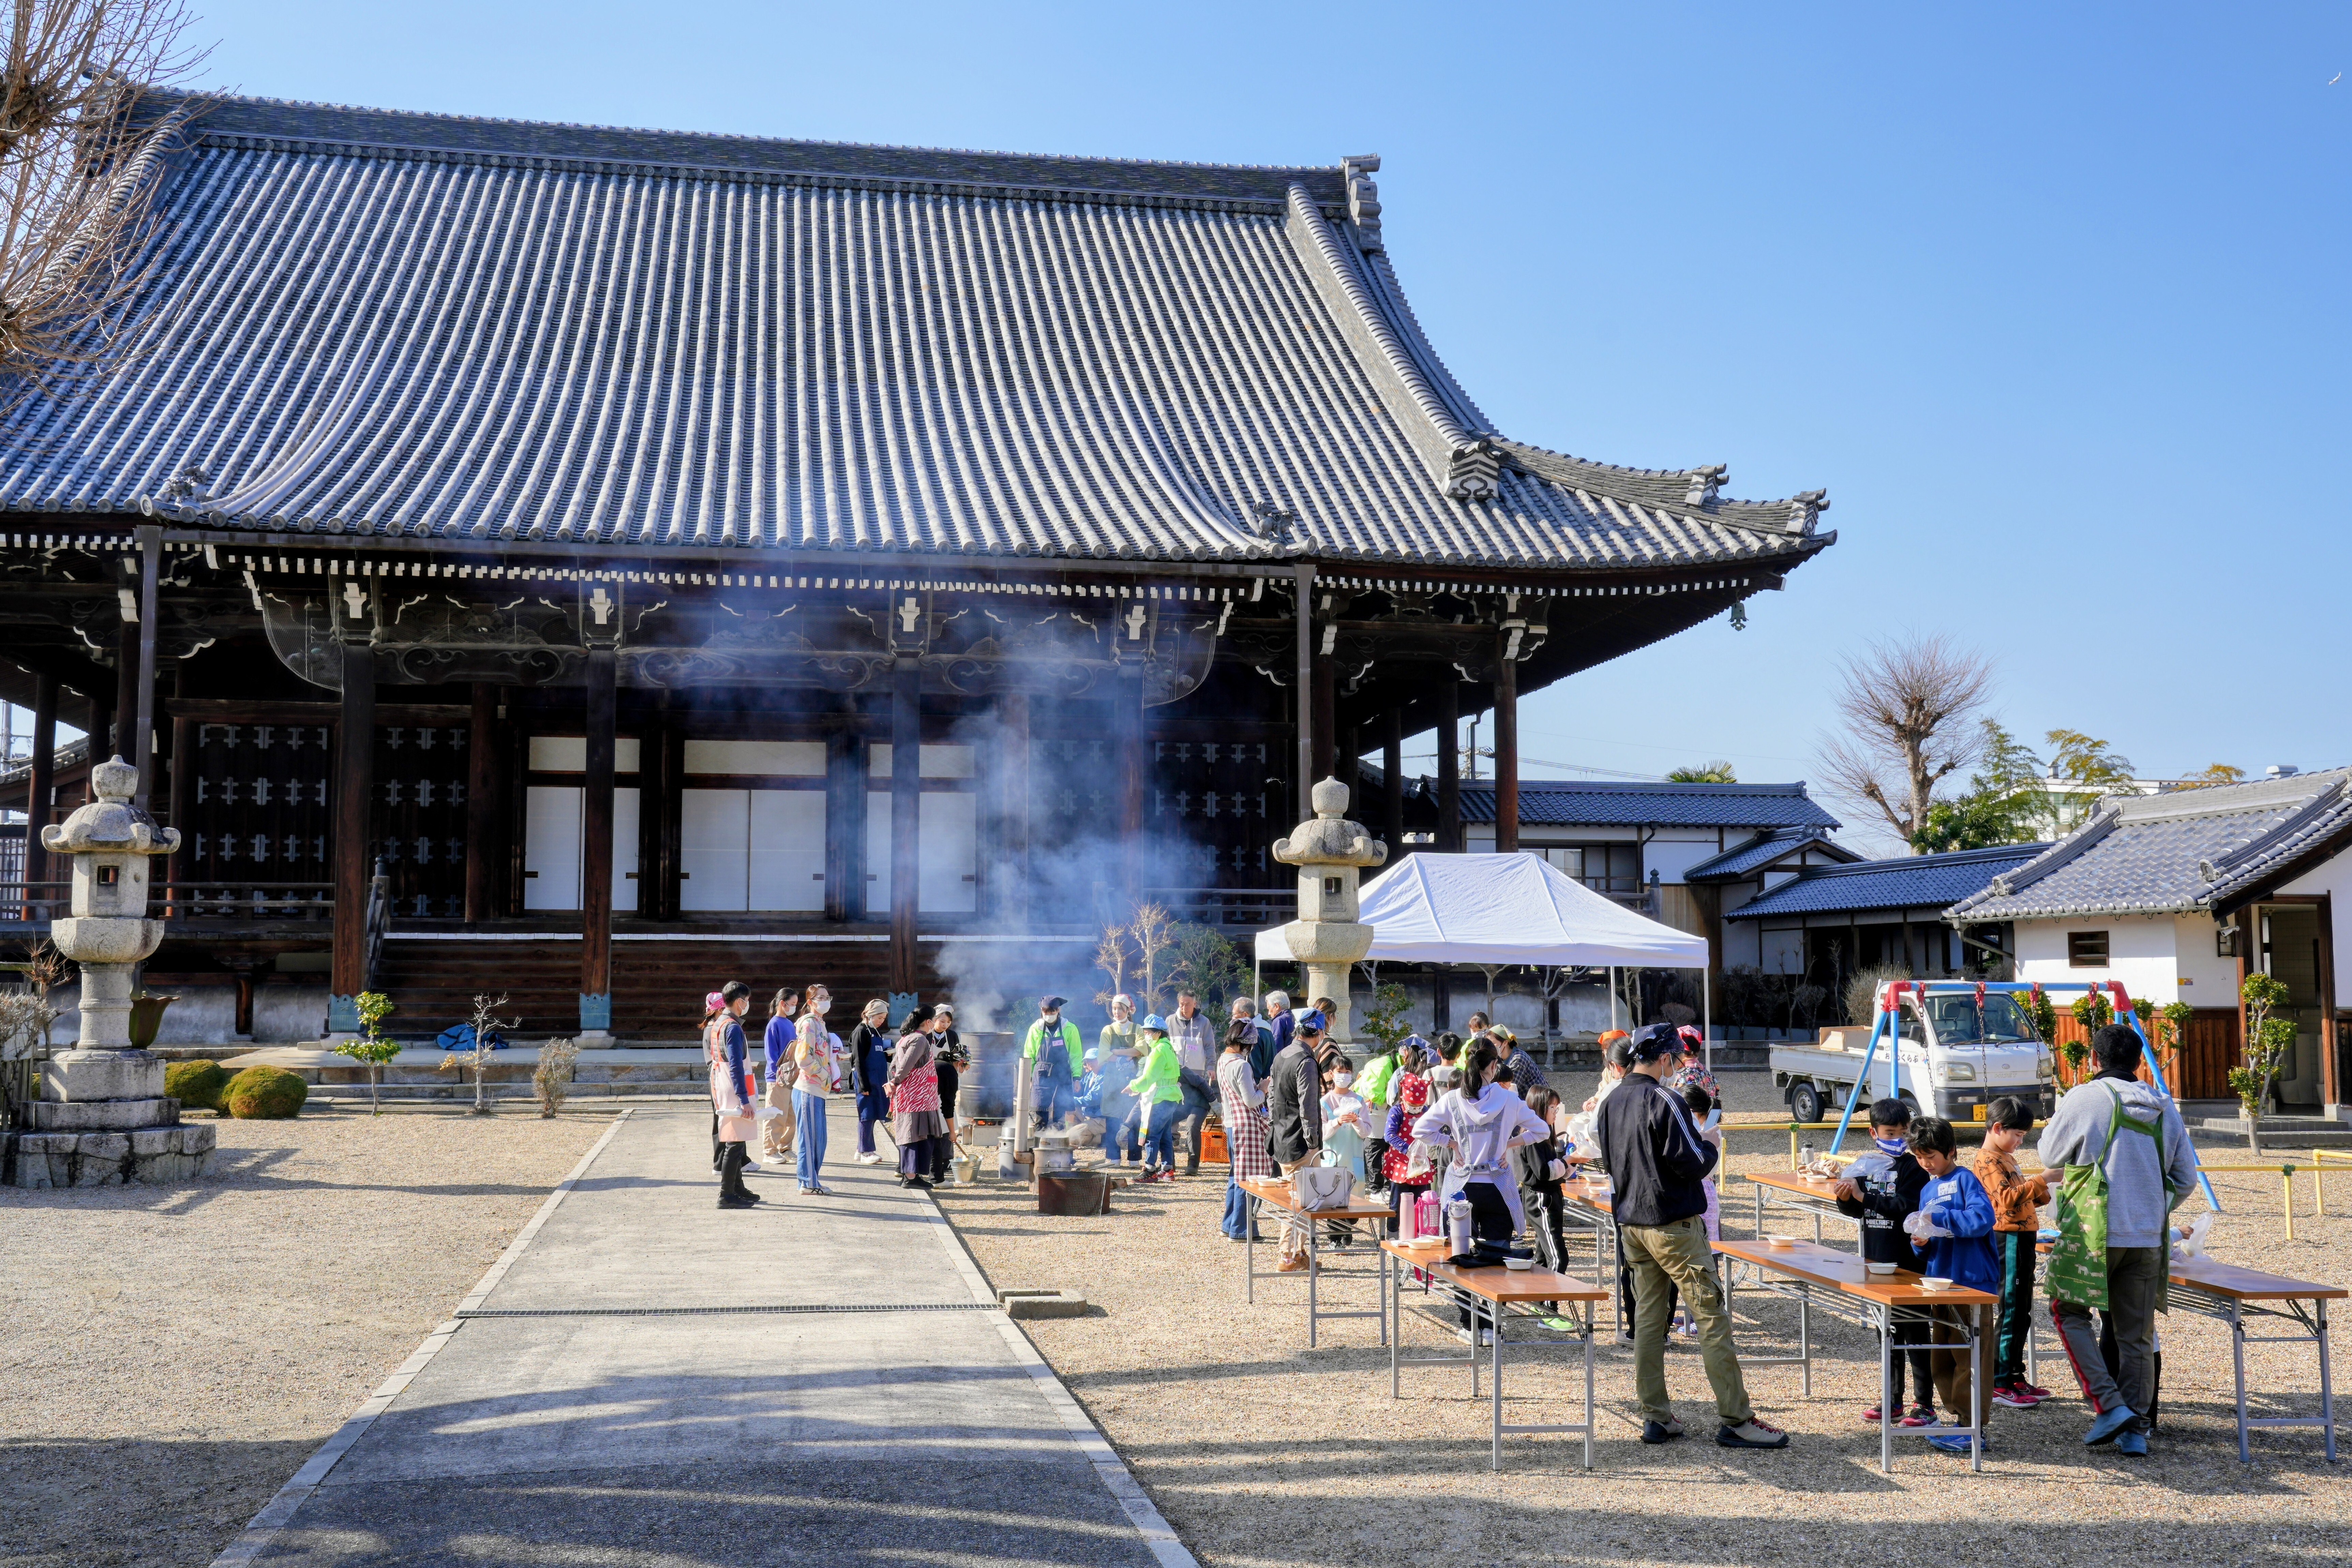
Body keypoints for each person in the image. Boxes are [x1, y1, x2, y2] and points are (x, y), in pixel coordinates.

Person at [1597, 1021, 1786, 1449]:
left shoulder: (1611, 1100)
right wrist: (1713, 1145)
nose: (1674, 1068)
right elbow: (1693, 1160)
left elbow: (1609, 1160)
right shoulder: (1665, 1098)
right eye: (1673, 1060)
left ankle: (1655, 1416)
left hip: (1632, 1224)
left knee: (1648, 1321)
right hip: (1674, 1226)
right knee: (1711, 1319)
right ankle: (1737, 1419)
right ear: (1664, 1058)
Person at [2039, 1022, 2196, 1459]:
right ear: (2139, 1062)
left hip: (2093, 1233)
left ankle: (2108, 1405)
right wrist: (2151, 1206)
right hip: (2147, 1236)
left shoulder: (2084, 1097)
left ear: (2093, 1060)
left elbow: (2050, 1155)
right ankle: (2136, 1431)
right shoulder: (2163, 1105)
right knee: (2136, 1335)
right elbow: (2184, 1178)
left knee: (2067, 1310)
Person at [1410, 1036, 1552, 1336]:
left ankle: (1470, 1325)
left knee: (1462, 1258)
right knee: (1496, 1258)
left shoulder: (1451, 1099)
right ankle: (1491, 1327)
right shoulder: (1509, 1100)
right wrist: (1509, 1143)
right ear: (1492, 1066)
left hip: (1461, 1187)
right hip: (1497, 1187)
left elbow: (1419, 1129)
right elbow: (1541, 1129)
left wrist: (1449, 1141)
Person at [1902, 1115, 2001, 1455]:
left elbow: (1981, 1219)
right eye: (1919, 1156)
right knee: (1941, 1357)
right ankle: (1959, 1420)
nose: (1925, 1163)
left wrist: (1937, 1219)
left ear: (1951, 1151)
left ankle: (1972, 1426)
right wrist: (1920, 1240)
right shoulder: (1927, 1188)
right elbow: (1925, 1240)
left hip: (1971, 1283)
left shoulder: (1965, 1180)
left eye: (1930, 1156)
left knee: (1970, 1356)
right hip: (1939, 1282)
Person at [1834, 1099, 1936, 1427]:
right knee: (1886, 1332)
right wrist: (1845, 1197)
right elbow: (1856, 1211)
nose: (1898, 1138)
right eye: (1891, 1132)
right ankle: (1892, 1399)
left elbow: (1907, 1206)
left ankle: (1924, 1404)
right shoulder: (1866, 1164)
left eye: (1903, 1132)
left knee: (1916, 1332)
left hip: (1909, 1262)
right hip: (1875, 1260)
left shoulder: (1913, 1167)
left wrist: (1864, 1198)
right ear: (1873, 1132)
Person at [1974, 1094, 2053, 1408]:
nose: (2020, 1141)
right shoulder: (1987, 1159)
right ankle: (1999, 1379)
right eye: (2018, 1135)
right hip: (2006, 1238)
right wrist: (2041, 1179)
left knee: (2022, 1311)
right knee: (2010, 1310)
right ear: (1997, 1127)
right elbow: (2006, 1199)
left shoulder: (2006, 1157)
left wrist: (2043, 1191)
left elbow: (2023, 1197)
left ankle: (2014, 1374)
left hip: (2023, 1237)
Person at [1264, 1006, 1328, 1273]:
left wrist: (1273, 1126)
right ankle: (1288, 1256)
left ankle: (1299, 1252)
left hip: (1281, 1135)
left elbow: (1270, 1095)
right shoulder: (1305, 1060)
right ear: (1320, 1032)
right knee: (1301, 1201)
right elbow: (1308, 1104)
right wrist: (1313, 1141)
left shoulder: (1281, 1055)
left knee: (1299, 1198)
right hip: (1300, 1141)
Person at [704, 983, 759, 1210]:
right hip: (735, 1087)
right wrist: (744, 1098)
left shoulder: (719, 1022)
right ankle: (726, 1194)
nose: (747, 1004)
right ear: (739, 1001)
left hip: (723, 1083)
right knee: (735, 1143)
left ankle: (737, 1188)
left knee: (734, 1138)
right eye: (747, 1000)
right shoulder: (733, 1026)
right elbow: (736, 1064)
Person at [1511, 1083, 1576, 1273]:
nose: (1556, 1113)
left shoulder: (1546, 1134)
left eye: (1558, 1108)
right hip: (1541, 1199)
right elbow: (1544, 1173)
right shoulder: (1532, 1137)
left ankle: (1539, 1301)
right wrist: (1569, 1160)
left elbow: (1554, 1169)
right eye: (1553, 1108)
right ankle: (1549, 1302)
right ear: (1539, 1108)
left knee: (1543, 1258)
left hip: (1550, 1197)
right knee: (1558, 1258)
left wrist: (1571, 1161)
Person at [1217, 1019, 1272, 1241]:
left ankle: (1229, 1224)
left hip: (1231, 1123)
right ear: (1244, 1045)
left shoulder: (1222, 1060)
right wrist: (1263, 1089)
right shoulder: (1242, 1065)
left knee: (1235, 1176)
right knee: (1248, 1178)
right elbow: (1251, 1100)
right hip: (1246, 1125)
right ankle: (1242, 1229)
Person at [887, 1011, 949, 1189]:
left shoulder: (905, 1038)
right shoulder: (920, 1040)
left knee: (915, 1134)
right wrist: (896, 1081)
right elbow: (906, 1065)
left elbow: (894, 1066)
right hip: (917, 1096)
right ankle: (910, 1177)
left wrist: (894, 1081)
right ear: (929, 1021)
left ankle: (911, 1175)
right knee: (914, 1134)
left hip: (917, 1096)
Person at [1383, 1040, 1436, 1238]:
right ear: (1403, 1098)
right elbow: (1389, 1135)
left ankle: (1422, 1232)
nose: (1416, 1110)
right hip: (1401, 1163)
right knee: (1397, 1200)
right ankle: (1393, 1232)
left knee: (1424, 1198)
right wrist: (1407, 1149)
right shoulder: (1397, 1110)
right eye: (1413, 1106)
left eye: (1419, 1106)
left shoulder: (1427, 1111)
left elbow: (1435, 1128)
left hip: (1422, 1162)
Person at [790, 1004, 842, 1195]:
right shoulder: (810, 1023)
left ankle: (811, 1180)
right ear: (811, 1001)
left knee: (819, 1139)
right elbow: (803, 1058)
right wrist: (823, 1074)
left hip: (818, 1089)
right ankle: (808, 1183)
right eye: (820, 997)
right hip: (808, 1087)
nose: (826, 1001)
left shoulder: (820, 1023)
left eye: (828, 998)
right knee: (810, 1139)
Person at [1167, 988, 1219, 1174]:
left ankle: (1192, 1164)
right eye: (1181, 1004)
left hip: (1197, 1081)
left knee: (1192, 1125)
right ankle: (1168, 1164)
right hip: (1177, 1079)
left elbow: (1210, 1047)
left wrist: (1211, 1066)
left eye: (1188, 1004)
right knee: (1164, 1120)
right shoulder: (1170, 1022)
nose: (1184, 1008)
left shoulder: (1204, 1023)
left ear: (1195, 1004)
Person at [1132, 1014, 1185, 1180]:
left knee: (1152, 1135)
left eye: (1148, 1032)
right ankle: (1167, 1169)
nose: (1146, 1035)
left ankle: (1150, 1170)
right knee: (1164, 1136)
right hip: (1170, 1098)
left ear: (1158, 1033)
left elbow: (1149, 1077)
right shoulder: (1168, 1047)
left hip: (1160, 1098)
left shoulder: (1159, 1050)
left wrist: (1133, 1086)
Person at [1024, 997, 1084, 1131]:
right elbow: (1029, 1054)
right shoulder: (1035, 1029)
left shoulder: (1070, 1028)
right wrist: (1029, 1078)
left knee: (1061, 1111)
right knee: (1041, 1111)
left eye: (1052, 1012)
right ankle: (1040, 1145)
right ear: (1042, 1011)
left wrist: (1077, 1078)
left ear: (1058, 1010)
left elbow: (1076, 1055)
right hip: (1041, 1074)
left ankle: (1059, 1143)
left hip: (1062, 1073)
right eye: (1046, 1012)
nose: (1049, 1015)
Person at [848, 998, 893, 1164]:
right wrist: (863, 1085)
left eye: (883, 1019)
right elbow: (858, 1060)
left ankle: (861, 1149)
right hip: (867, 1080)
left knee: (872, 1116)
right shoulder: (861, 1032)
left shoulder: (875, 1032)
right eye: (879, 1018)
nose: (882, 1022)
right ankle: (868, 1151)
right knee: (866, 1115)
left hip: (878, 1080)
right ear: (869, 1015)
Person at [760, 989, 801, 1165]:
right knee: (776, 1114)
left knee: (791, 1116)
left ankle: (786, 1147)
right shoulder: (774, 1024)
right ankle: (770, 1150)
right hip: (778, 1077)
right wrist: (775, 1074)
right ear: (782, 1003)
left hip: (793, 1076)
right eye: (792, 1004)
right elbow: (771, 1053)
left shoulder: (790, 1024)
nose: (794, 1008)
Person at [930, 1004, 968, 1185]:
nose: (945, 1025)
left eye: (949, 1022)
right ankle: (934, 1166)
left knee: (948, 1118)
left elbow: (958, 1055)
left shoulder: (952, 1036)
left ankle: (945, 1161)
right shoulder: (926, 1035)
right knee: (943, 1115)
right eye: (942, 1021)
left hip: (946, 1075)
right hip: (929, 1077)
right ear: (934, 1020)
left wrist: (962, 1063)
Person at [1583, 1032, 1631, 1112]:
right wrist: (1593, 1101)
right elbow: (1603, 1091)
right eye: (1606, 1050)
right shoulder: (1608, 1071)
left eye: (1611, 1049)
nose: (1608, 1053)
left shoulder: (1634, 1069)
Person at [1254, 990, 1294, 1083]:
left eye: (1269, 1008)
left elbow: (1275, 1047)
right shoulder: (1293, 1018)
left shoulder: (1279, 1021)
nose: (1269, 1013)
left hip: (1281, 1068)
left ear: (1277, 1006)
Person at [1495, 1025, 1547, 1093]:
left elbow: (1507, 1089)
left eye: (1493, 1043)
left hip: (1540, 1102)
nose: (1490, 1047)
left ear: (1505, 1043)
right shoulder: (1503, 1058)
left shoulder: (1518, 1059)